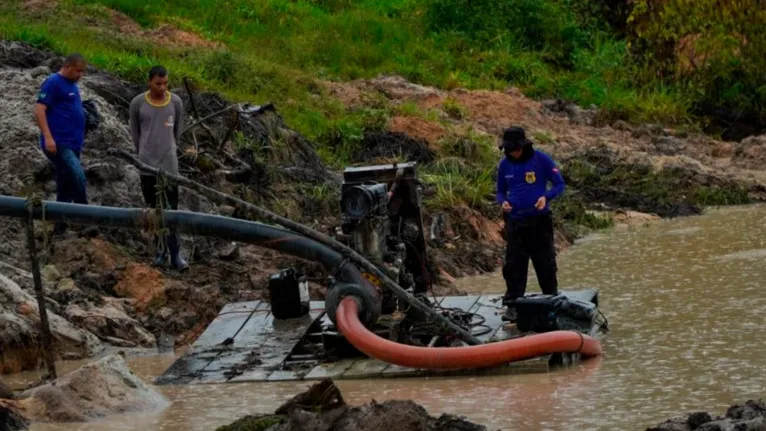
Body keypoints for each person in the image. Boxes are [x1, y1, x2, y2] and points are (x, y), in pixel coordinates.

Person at [495, 126, 565, 322]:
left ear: (524, 146)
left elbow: (559, 185)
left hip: (540, 222)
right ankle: (513, 305)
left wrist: (546, 197)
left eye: (516, 149)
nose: (514, 153)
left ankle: (551, 299)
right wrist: (503, 202)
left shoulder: (541, 159)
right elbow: (500, 191)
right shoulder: (504, 165)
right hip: (515, 222)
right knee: (514, 265)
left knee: (546, 263)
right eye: (510, 150)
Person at [129, 65, 189, 271]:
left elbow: (177, 133)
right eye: (158, 83)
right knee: (155, 212)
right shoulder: (138, 103)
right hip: (147, 166)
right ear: (149, 82)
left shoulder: (176, 102)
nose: (162, 87)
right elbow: (135, 133)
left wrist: (168, 150)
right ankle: (160, 252)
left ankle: (175, 254)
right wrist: (144, 155)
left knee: (171, 211)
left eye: (165, 83)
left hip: (169, 167)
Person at [34, 53, 88, 236]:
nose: (81, 75)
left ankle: (60, 226)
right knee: (77, 174)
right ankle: (86, 218)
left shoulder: (73, 85)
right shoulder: (53, 82)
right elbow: (39, 109)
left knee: (65, 182)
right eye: (79, 71)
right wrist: (48, 137)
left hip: (73, 142)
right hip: (58, 142)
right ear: (69, 67)